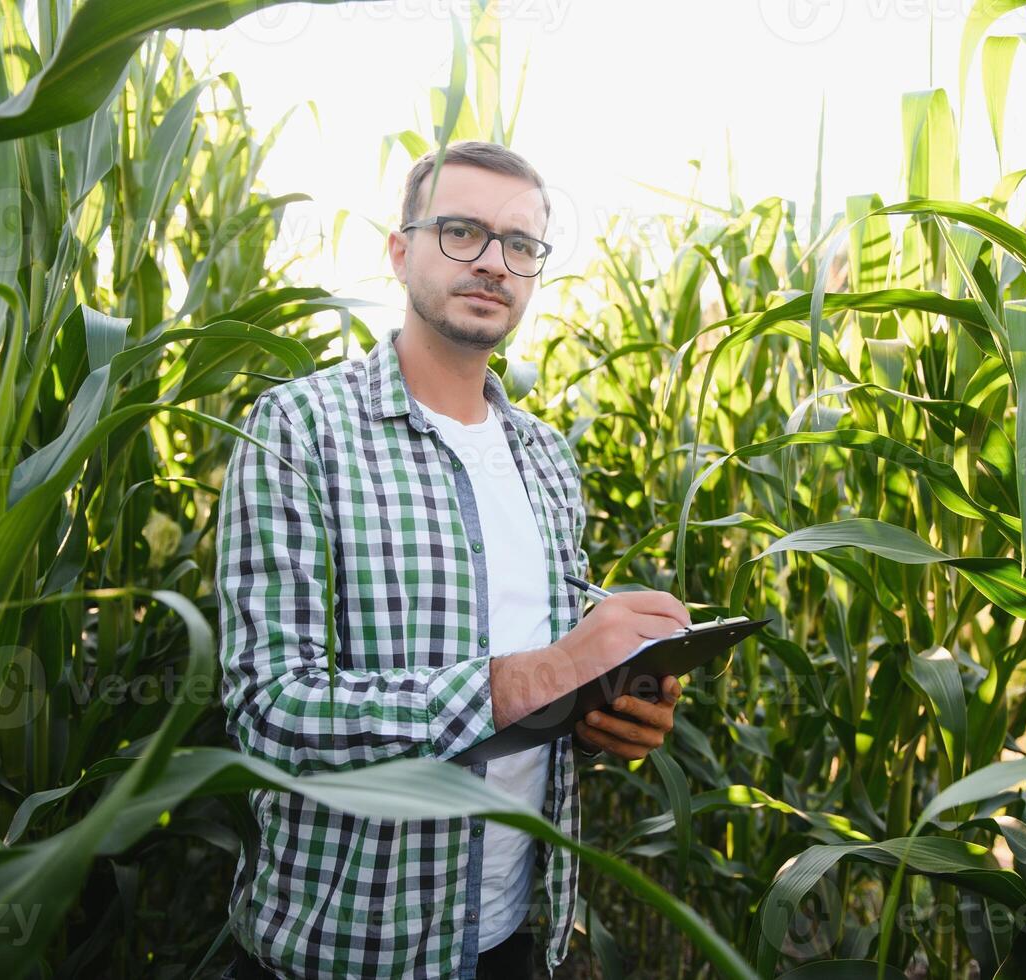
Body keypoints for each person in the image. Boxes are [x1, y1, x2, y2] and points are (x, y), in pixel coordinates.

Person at [216, 140, 690, 979]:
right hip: (349, 949)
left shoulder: (546, 457)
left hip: (514, 934)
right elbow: (270, 713)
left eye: (519, 245)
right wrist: (532, 676)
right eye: (461, 231)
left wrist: (602, 710)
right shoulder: (298, 430)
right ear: (400, 251)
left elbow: (542, 702)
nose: (492, 264)